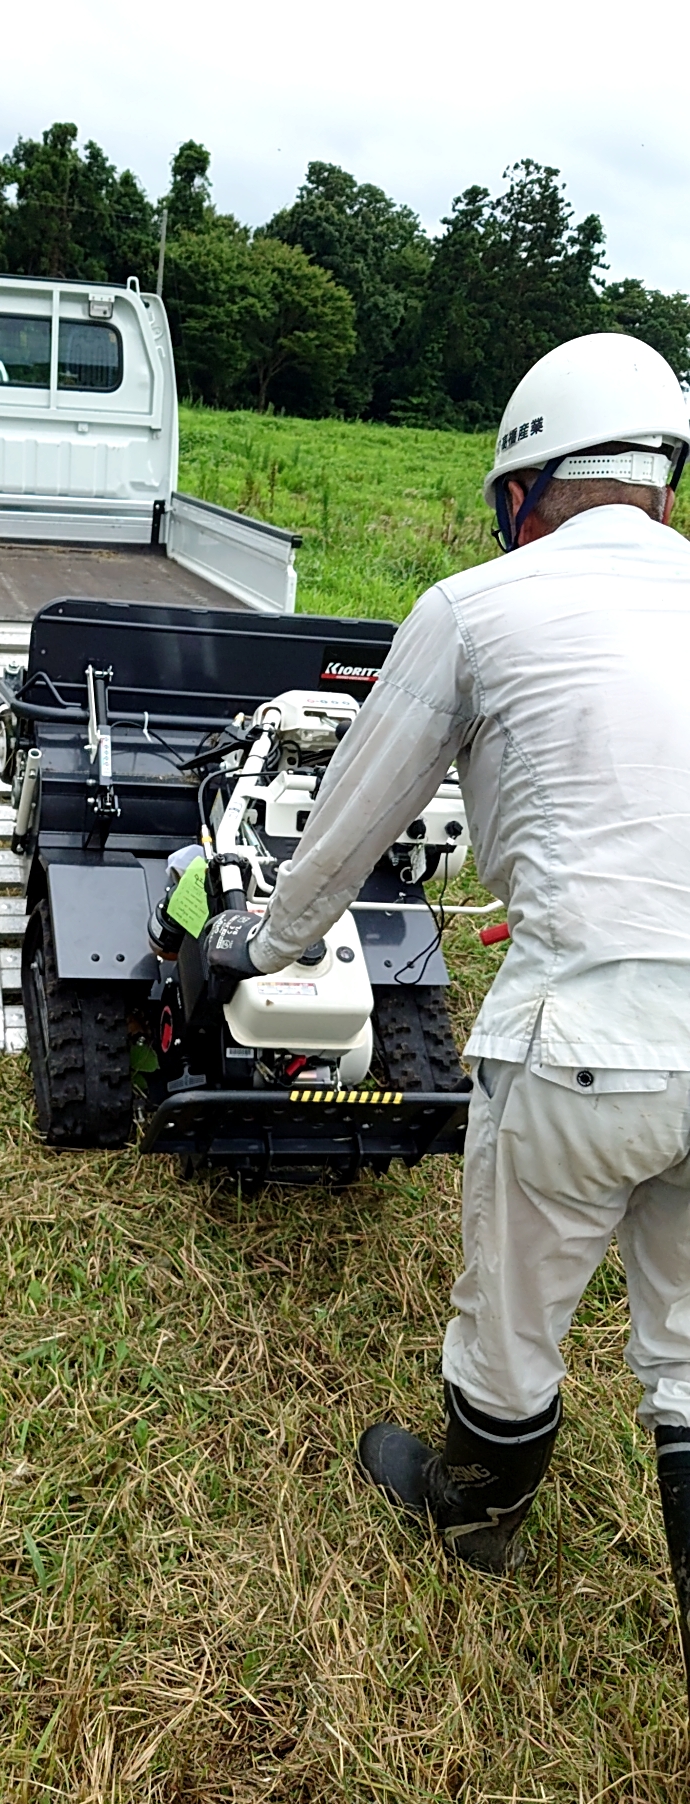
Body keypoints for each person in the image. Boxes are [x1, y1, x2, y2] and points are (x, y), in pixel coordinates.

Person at [200, 333, 690, 1698]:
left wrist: (257, 946)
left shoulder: (476, 608)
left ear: (524, 486)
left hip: (584, 1043)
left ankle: (475, 1514)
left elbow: (350, 824)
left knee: (513, 1319)